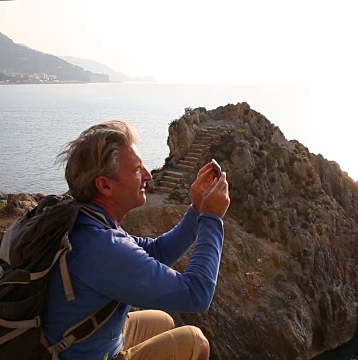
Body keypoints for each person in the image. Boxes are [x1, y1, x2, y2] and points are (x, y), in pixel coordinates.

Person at [43, 120, 230, 360]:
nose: (148, 175)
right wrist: (211, 219)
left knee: (163, 320)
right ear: (105, 185)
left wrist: (197, 208)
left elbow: (156, 252)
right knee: (196, 341)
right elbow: (197, 294)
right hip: (78, 355)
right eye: (136, 170)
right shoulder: (102, 248)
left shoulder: (85, 220)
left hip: (76, 340)